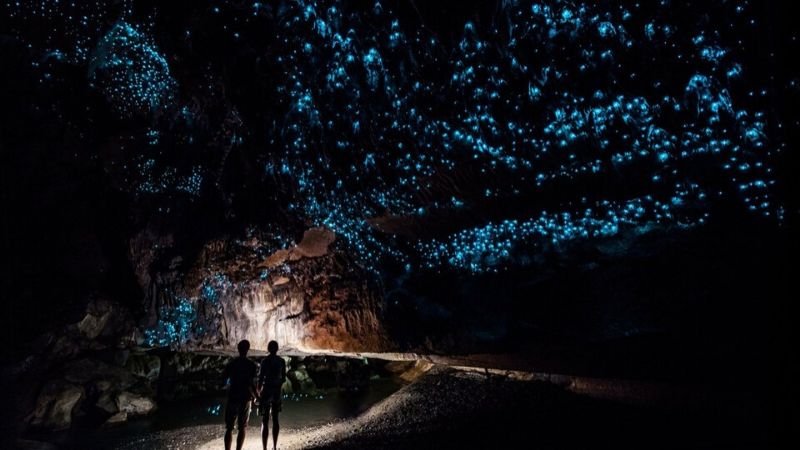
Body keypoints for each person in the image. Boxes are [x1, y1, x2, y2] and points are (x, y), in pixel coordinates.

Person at [222, 340, 258, 450]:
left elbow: (224, 380)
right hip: (245, 397)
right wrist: (257, 396)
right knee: (242, 427)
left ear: (238, 349)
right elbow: (251, 383)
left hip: (233, 396)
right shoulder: (251, 365)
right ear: (248, 350)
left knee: (229, 428)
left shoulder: (232, 364)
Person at [258, 340, 287, 450]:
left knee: (265, 420)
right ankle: (274, 447)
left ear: (268, 349)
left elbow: (261, 378)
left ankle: (264, 448)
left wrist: (258, 392)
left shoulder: (265, 361)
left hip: (266, 391)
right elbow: (283, 378)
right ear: (277, 349)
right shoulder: (281, 361)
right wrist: (278, 384)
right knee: (275, 419)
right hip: (276, 391)